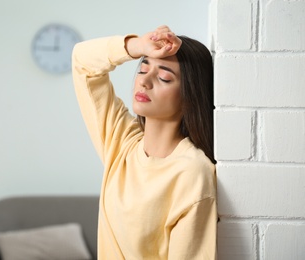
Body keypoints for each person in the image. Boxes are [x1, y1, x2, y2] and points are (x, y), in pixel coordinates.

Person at [72, 25, 217, 259]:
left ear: (190, 96)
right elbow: (83, 61)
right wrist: (138, 46)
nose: (144, 82)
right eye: (143, 69)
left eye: (163, 78)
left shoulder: (192, 173)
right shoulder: (122, 143)